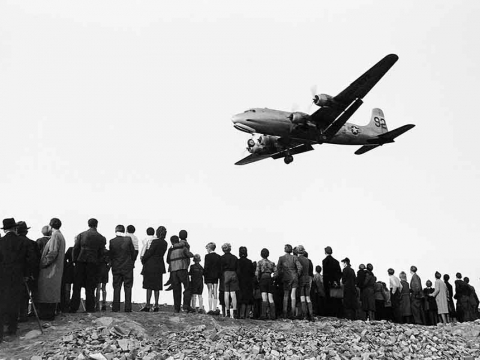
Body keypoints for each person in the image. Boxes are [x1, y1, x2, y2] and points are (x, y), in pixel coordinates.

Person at [0, 218, 34, 342]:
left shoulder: (1, 242)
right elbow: (28, 260)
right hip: (17, 276)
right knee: (14, 302)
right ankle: (12, 328)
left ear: (5, 230)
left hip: (2, 277)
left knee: (2, 302)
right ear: (15, 229)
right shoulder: (22, 242)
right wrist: (26, 274)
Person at [70, 218, 106, 313]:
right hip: (93, 263)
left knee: (77, 286)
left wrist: (75, 260)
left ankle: (74, 307)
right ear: (96, 225)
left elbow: (75, 249)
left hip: (80, 261)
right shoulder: (101, 238)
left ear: (88, 224)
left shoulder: (81, 235)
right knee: (90, 287)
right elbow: (102, 253)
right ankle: (90, 307)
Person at [35, 218, 66, 320]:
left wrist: (42, 263)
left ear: (50, 226)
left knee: (47, 292)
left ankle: (46, 315)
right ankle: (49, 314)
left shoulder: (55, 235)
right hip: (55, 269)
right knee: (51, 292)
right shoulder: (60, 235)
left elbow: (52, 252)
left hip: (50, 269)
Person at [16, 221, 40, 322]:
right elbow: (34, 260)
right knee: (25, 295)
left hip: (14, 273)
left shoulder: (13, 242)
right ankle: (23, 315)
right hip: (28, 274)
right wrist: (30, 273)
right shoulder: (32, 243)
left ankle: (16, 316)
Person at [140, 226, 167, 312]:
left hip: (150, 265)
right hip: (159, 265)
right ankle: (156, 304)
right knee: (157, 286)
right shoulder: (165, 243)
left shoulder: (155, 242)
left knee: (149, 286)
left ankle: (148, 305)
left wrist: (143, 259)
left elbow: (149, 252)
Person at [109, 225, 136, 312]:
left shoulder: (112, 241)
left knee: (116, 287)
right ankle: (128, 308)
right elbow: (133, 253)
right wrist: (131, 262)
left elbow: (111, 255)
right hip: (127, 267)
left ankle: (115, 307)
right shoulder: (128, 239)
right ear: (124, 231)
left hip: (116, 267)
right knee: (128, 287)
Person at [167, 235, 194, 313]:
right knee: (187, 287)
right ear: (178, 240)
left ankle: (176, 308)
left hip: (173, 271)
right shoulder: (183, 248)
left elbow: (167, 260)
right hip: (182, 269)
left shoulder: (170, 250)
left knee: (176, 290)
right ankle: (186, 305)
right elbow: (190, 255)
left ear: (171, 242)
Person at [277, 244, 302, 319]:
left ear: (285, 249)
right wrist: (297, 274)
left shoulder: (281, 258)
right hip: (294, 277)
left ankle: (284, 313)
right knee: (293, 296)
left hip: (286, 278)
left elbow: (278, 269)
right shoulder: (295, 257)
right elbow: (300, 267)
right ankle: (293, 313)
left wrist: (282, 274)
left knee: (286, 295)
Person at [255, 248, 277, 320]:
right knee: (271, 298)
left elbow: (257, 272)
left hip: (263, 279)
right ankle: (273, 315)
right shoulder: (272, 263)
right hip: (269, 279)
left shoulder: (260, 262)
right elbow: (276, 272)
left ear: (261, 254)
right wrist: (273, 278)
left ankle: (263, 314)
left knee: (264, 297)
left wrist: (258, 280)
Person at [220, 243, 239, 318]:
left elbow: (220, 268)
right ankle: (234, 311)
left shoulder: (222, 258)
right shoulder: (234, 257)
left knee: (226, 293)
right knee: (233, 293)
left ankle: (227, 311)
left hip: (226, 274)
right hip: (233, 274)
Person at [322, 246, 342, 317]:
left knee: (328, 298)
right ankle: (337, 313)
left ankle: (329, 313)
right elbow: (339, 273)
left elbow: (325, 273)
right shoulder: (336, 262)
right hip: (336, 282)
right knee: (336, 298)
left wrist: (327, 281)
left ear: (325, 252)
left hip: (328, 282)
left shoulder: (325, 261)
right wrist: (336, 281)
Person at [237, 246, 255, 319]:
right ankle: (247, 315)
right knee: (248, 298)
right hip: (249, 282)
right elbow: (252, 273)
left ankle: (241, 314)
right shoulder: (249, 262)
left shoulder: (238, 261)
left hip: (240, 282)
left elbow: (237, 272)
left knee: (242, 299)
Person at [297, 246, 315, 321]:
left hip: (301, 279)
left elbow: (299, 269)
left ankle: (304, 315)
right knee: (308, 297)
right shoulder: (307, 260)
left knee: (302, 297)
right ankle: (311, 315)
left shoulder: (297, 259)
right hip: (307, 278)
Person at [204, 242, 221, 315]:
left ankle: (210, 308)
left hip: (209, 276)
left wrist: (204, 275)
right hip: (216, 276)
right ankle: (215, 308)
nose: (207, 249)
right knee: (215, 291)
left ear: (210, 248)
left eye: (207, 248)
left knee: (210, 292)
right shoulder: (218, 256)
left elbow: (206, 267)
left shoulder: (207, 256)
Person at [61, 246, 75, 312]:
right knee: (76, 289)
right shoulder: (82, 249)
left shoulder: (71, 249)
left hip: (69, 269)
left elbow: (64, 258)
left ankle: (66, 304)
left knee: (67, 288)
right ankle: (73, 305)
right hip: (79, 269)